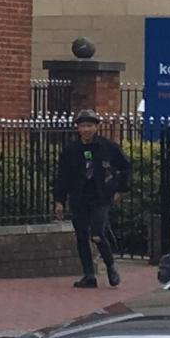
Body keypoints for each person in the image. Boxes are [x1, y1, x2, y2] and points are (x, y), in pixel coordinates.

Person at [54, 108, 131, 290]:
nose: (86, 129)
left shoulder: (108, 147)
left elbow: (125, 166)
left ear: (97, 127)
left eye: (90, 126)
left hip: (100, 196)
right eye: (83, 126)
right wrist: (59, 201)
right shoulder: (70, 151)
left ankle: (111, 266)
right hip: (79, 197)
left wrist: (120, 189)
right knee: (81, 236)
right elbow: (62, 177)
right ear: (78, 128)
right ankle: (89, 275)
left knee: (97, 234)